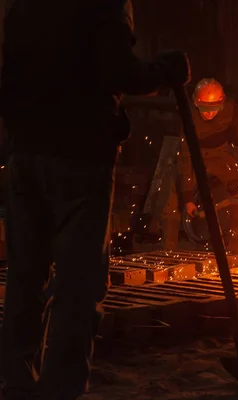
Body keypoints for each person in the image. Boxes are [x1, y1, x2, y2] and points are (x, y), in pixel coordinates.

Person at [0, 0, 190, 398]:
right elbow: (116, 71)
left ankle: (16, 383)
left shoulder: (23, 7)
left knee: (25, 276)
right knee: (78, 284)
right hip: (79, 158)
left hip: (25, 155)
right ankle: (61, 390)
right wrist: (162, 72)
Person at [177, 78, 238, 253]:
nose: (210, 113)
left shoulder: (231, 109)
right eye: (205, 108)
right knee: (171, 200)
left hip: (221, 154)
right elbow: (185, 157)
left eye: (214, 109)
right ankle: (170, 249)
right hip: (195, 155)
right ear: (196, 102)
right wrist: (188, 197)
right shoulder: (187, 115)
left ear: (222, 102)